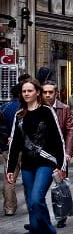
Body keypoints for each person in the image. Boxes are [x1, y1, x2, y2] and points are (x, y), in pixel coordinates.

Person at [6, 79, 66, 234]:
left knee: (36, 199)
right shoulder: (19, 115)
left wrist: (62, 166)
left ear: (37, 92)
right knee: (32, 206)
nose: (26, 94)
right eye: (24, 91)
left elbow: (58, 139)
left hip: (46, 164)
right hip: (27, 166)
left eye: (29, 90)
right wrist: (10, 169)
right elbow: (15, 145)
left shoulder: (46, 112)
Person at [41, 81, 73, 228]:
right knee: (38, 190)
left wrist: (67, 152)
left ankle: (62, 216)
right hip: (41, 155)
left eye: (50, 92)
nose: (47, 95)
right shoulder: (36, 109)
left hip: (59, 154)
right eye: (45, 92)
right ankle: (37, 218)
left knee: (60, 187)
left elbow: (70, 130)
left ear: (56, 93)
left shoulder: (64, 108)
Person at [1, 83, 22, 216]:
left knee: (9, 178)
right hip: (24, 148)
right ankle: (34, 205)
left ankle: (9, 207)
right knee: (30, 177)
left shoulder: (4, 107)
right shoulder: (25, 108)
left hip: (7, 148)